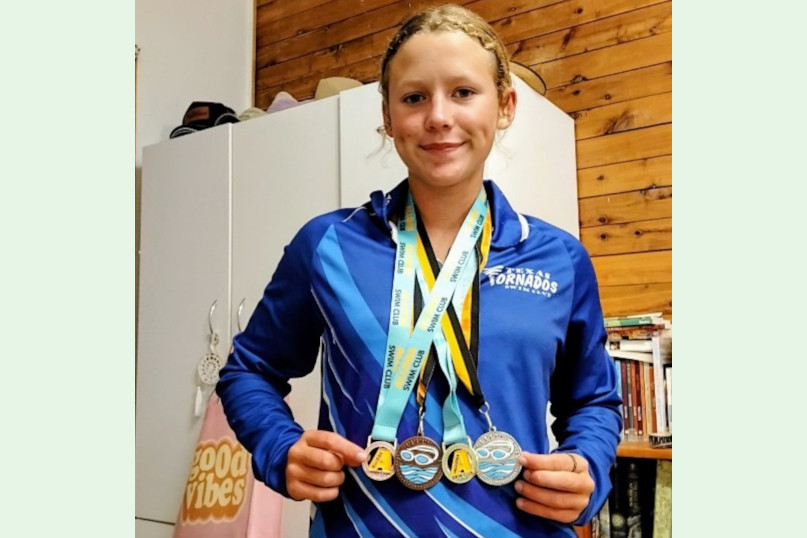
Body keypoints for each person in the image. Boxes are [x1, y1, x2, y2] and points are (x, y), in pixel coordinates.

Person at [217, 4, 622, 536]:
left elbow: (593, 400)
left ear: (505, 106)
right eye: (414, 97)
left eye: (463, 92)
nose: (437, 116)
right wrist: (279, 447)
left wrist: (588, 468)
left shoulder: (560, 258)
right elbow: (249, 371)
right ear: (387, 117)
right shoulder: (328, 246)